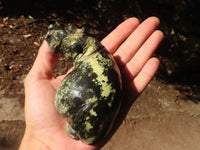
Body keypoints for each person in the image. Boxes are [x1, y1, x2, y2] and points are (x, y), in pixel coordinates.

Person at [19, 17, 163, 150]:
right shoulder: (93, 54)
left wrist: (38, 141)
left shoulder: (87, 55)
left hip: (86, 117)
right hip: (87, 116)